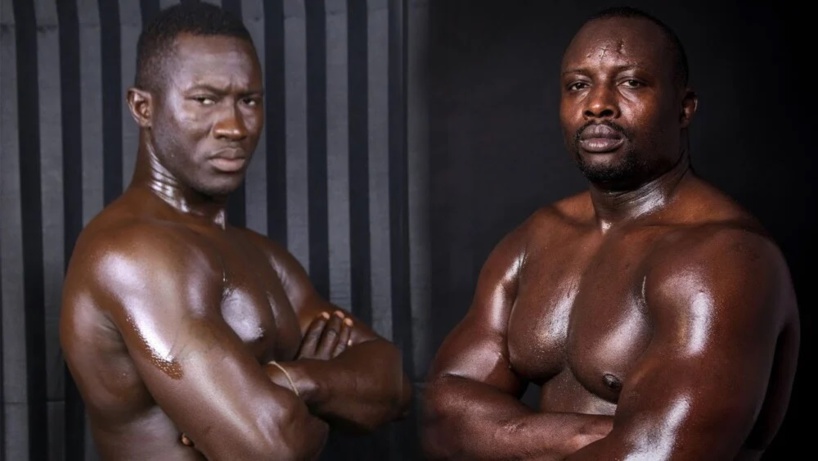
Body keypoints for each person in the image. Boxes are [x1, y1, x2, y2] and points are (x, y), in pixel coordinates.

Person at [421, 6, 800, 460]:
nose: (597, 104)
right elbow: (439, 420)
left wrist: (503, 438)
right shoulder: (536, 238)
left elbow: (653, 456)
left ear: (684, 108)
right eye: (578, 85)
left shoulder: (724, 258)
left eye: (631, 82)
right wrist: (597, 436)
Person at [59, 3, 411, 460]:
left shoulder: (262, 256)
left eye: (248, 100)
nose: (234, 127)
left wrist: (293, 380)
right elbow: (269, 449)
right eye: (205, 100)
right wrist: (330, 396)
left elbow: (396, 385)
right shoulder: (133, 254)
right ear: (143, 107)